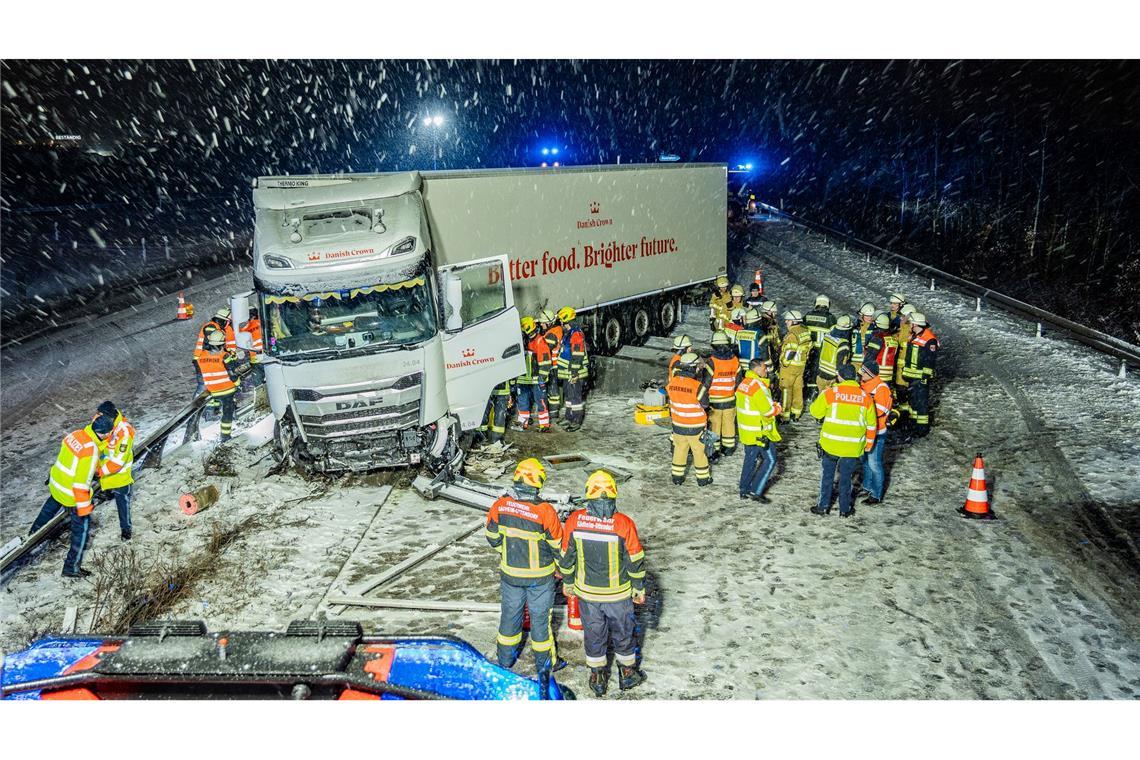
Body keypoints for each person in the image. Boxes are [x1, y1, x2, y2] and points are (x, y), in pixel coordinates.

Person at [560, 470, 647, 696]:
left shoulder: (574, 520)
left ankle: (597, 677)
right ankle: (627, 674)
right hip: (618, 595)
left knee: (594, 633)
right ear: (613, 495)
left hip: (587, 595)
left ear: (588, 495)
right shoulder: (624, 524)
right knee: (624, 632)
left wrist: (568, 582)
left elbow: (566, 557)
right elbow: (635, 560)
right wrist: (638, 588)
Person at [485, 459, 564, 696]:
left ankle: (505, 661)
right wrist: (561, 569)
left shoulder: (500, 505)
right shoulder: (545, 511)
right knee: (541, 622)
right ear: (538, 483)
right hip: (540, 577)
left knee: (510, 617)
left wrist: (507, 552)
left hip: (510, 574)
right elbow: (557, 546)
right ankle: (545, 665)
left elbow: (491, 536)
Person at [29, 412, 115, 577]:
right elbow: (81, 483)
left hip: (57, 484)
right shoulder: (91, 452)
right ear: (103, 434)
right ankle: (71, 567)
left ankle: (32, 537)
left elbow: (73, 458)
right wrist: (84, 509)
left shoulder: (75, 435)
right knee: (81, 531)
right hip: (71, 494)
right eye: (109, 434)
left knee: (47, 511)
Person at [809, 364, 877, 518]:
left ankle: (823, 506)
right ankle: (844, 509)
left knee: (827, 476)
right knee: (846, 479)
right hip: (852, 447)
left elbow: (815, 412)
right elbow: (871, 424)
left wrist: (819, 399)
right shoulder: (865, 397)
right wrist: (869, 444)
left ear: (839, 376)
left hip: (830, 444)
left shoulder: (831, 393)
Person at [736, 358, 782, 502]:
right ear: (756, 369)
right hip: (760, 432)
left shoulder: (744, 383)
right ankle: (756, 490)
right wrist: (777, 407)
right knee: (770, 459)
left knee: (750, 459)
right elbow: (768, 411)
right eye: (764, 367)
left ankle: (743, 488)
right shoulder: (758, 387)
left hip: (747, 430)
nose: (766, 370)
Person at [666, 352, 711, 486]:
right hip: (695, 426)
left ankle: (677, 478)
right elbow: (705, 404)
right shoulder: (697, 386)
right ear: (693, 368)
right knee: (699, 452)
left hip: (678, 425)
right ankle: (703, 479)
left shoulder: (672, 383)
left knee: (679, 450)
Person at [95, 400, 136, 541]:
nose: (97, 418)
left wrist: (99, 472)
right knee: (113, 495)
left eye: (100, 416)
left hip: (119, 476)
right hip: (105, 473)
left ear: (110, 417)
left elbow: (118, 461)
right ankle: (107, 493)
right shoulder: (103, 420)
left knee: (122, 504)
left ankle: (126, 530)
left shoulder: (124, 432)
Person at [899, 312, 939, 439]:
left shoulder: (929, 339)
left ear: (915, 324)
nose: (910, 325)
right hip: (912, 378)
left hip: (920, 379)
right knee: (914, 404)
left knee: (921, 405)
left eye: (911, 323)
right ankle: (913, 426)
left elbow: (930, 361)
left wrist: (924, 378)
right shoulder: (914, 336)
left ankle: (922, 430)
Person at [858, 360, 893, 504]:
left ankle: (876, 494)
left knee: (874, 463)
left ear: (870, 374)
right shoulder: (864, 385)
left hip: (877, 433)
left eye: (863, 372)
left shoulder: (881, 388)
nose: (860, 374)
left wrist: (861, 411)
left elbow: (880, 410)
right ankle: (867, 486)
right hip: (865, 431)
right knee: (865, 461)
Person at [195, 329, 240, 441]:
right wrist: (238, 383)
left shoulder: (201, 356)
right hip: (227, 390)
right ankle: (225, 436)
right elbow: (232, 373)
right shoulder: (224, 356)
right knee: (227, 413)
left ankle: (211, 415)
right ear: (221, 343)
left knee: (216, 406)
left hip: (212, 390)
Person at [705, 331, 742, 459]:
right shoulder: (735, 360)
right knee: (729, 424)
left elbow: (706, 383)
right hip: (730, 399)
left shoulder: (712, 362)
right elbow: (738, 381)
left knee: (715, 425)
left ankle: (714, 450)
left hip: (714, 401)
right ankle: (728, 448)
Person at [515, 317, 552, 432]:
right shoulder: (524, 340)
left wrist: (543, 377)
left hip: (536, 378)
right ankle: (522, 423)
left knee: (540, 401)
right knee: (522, 401)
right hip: (524, 378)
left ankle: (544, 425)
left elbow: (545, 361)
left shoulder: (540, 341)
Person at [555, 307, 589, 432]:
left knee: (575, 399)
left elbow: (577, 355)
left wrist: (574, 373)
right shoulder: (569, 333)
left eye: (561, 321)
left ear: (565, 320)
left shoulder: (576, 334)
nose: (561, 324)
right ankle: (569, 417)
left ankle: (576, 421)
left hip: (575, 373)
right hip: (568, 373)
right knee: (569, 397)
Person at [193, 307, 237, 395]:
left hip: (206, 358)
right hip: (202, 359)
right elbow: (214, 345)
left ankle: (212, 403)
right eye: (227, 322)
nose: (228, 324)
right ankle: (197, 405)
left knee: (212, 382)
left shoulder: (216, 328)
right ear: (223, 320)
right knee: (204, 384)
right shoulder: (211, 327)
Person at [777, 310, 812, 422]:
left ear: (793, 321)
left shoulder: (792, 335)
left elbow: (790, 351)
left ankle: (785, 415)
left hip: (789, 367)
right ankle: (796, 413)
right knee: (798, 390)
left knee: (786, 390)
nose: (786, 322)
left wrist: (784, 362)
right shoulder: (805, 331)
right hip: (800, 366)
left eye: (788, 320)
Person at [815, 315, 853, 392]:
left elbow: (820, 352)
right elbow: (841, 364)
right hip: (832, 378)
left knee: (821, 400)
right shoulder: (843, 344)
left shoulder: (827, 336)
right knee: (831, 401)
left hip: (821, 373)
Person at [803, 294, 835, 384]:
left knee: (807, 372)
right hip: (822, 351)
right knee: (817, 374)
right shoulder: (831, 318)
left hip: (808, 350)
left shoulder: (807, 316)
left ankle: (806, 392)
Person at [539, 308, 563, 418]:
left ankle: (553, 413)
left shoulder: (552, 334)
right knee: (553, 389)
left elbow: (545, 349)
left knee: (553, 390)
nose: (541, 324)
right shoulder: (555, 330)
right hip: (554, 365)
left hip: (553, 366)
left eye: (543, 322)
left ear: (549, 323)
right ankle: (553, 411)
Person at [238, 308, 264, 387]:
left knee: (258, 383)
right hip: (268, 355)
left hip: (255, 359)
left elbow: (238, 339)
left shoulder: (246, 328)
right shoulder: (264, 323)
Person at [733, 308, 764, 373]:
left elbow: (735, 349)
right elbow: (764, 352)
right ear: (759, 320)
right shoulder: (759, 333)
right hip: (755, 367)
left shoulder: (739, 332)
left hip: (741, 367)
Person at [851, 302, 876, 373]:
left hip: (866, 362)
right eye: (867, 316)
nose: (870, 318)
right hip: (854, 361)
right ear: (862, 315)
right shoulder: (855, 327)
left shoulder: (874, 328)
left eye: (871, 316)